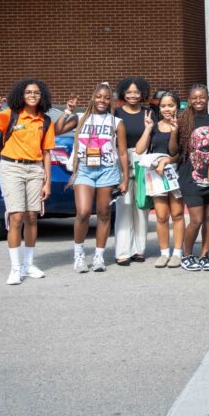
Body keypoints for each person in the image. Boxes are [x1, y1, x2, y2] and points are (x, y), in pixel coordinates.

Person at [0, 80, 55, 285]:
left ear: (42, 96)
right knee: (16, 217)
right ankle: (15, 268)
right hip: (11, 167)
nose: (32, 95)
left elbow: (47, 152)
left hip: (35, 169)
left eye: (36, 92)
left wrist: (47, 181)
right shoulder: (10, 114)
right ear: (21, 95)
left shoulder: (45, 121)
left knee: (32, 216)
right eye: (28, 92)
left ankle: (28, 264)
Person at [56, 83, 128, 274]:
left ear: (110, 101)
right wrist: (67, 111)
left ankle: (99, 257)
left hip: (107, 171)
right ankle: (79, 256)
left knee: (104, 213)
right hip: (84, 171)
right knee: (84, 212)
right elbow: (57, 130)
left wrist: (125, 179)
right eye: (99, 97)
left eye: (106, 98)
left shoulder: (116, 122)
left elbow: (122, 153)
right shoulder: (80, 118)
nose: (102, 100)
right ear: (93, 98)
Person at [135, 90, 184, 268]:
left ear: (177, 106)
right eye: (163, 105)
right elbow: (140, 150)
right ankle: (164, 253)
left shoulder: (181, 125)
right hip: (155, 174)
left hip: (175, 173)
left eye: (171, 105)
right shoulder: (153, 126)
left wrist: (174, 131)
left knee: (177, 214)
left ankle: (177, 253)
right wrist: (148, 129)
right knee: (162, 216)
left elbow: (176, 152)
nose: (167, 109)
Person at [176, 85, 209, 272]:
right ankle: (187, 255)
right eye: (194, 97)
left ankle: (205, 255)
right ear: (189, 99)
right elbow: (173, 149)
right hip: (189, 177)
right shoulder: (183, 121)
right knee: (196, 219)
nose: (199, 100)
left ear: (208, 98)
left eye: (202, 97)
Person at [113, 77, 155, 265]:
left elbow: (153, 138)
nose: (132, 95)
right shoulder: (116, 112)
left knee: (141, 206)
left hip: (143, 160)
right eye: (129, 92)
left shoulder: (149, 112)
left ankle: (139, 250)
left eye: (136, 92)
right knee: (124, 206)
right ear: (123, 93)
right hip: (120, 160)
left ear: (142, 94)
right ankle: (122, 252)